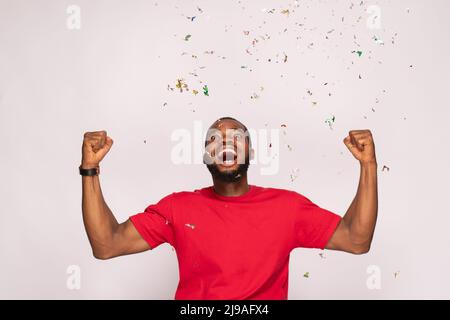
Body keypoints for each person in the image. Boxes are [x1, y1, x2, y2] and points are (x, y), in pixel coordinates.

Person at [80, 117, 378, 299]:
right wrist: (90, 169)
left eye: (236, 137)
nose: (226, 142)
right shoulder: (177, 208)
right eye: (215, 139)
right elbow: (107, 245)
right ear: (206, 156)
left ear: (251, 150)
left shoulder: (287, 208)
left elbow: (356, 239)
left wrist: (368, 165)